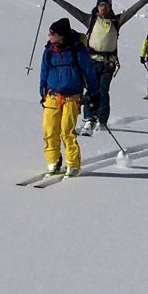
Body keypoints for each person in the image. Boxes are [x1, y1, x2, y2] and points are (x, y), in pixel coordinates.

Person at [44, 0, 148, 134]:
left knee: (103, 91)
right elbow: (71, 9)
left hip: (108, 63)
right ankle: (89, 119)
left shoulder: (116, 21)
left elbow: (133, 10)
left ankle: (101, 121)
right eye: (101, 5)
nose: (104, 8)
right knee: (91, 90)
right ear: (97, 7)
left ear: (110, 8)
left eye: (107, 5)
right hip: (91, 62)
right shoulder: (90, 20)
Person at [39, 17, 99, 177]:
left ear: (62, 36)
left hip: (72, 97)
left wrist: (93, 94)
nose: (49, 36)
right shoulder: (49, 50)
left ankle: (73, 164)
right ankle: (53, 160)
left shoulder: (77, 51)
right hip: (52, 95)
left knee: (67, 131)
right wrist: (42, 92)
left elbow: (89, 73)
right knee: (49, 129)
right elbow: (44, 72)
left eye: (53, 33)